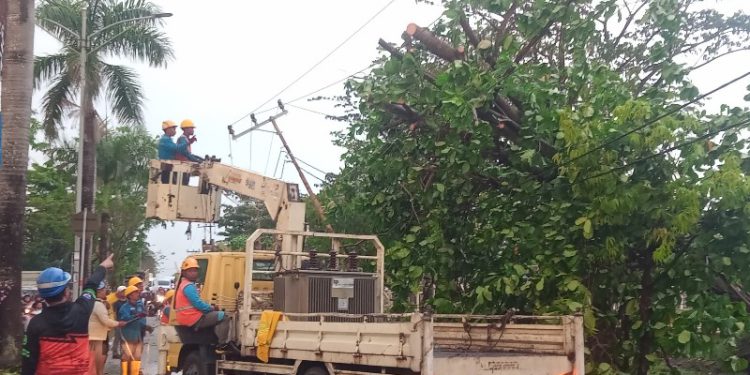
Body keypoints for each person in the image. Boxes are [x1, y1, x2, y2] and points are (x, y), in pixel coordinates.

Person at [21, 254, 115, 375]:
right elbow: (91, 285)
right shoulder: (82, 310)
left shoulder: (36, 323)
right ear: (66, 292)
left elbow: (28, 361)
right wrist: (103, 266)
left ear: (43, 296)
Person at [174, 257, 230, 344]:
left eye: (195, 271)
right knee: (223, 316)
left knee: (214, 316)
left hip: (187, 317)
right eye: (190, 271)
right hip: (192, 318)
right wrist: (212, 308)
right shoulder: (188, 286)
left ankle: (215, 340)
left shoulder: (184, 284)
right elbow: (198, 304)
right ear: (184, 273)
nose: (193, 273)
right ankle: (222, 344)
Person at [89, 282, 125, 375]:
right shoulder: (98, 305)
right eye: (104, 290)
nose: (106, 291)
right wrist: (118, 323)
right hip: (97, 339)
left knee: (95, 365)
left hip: (96, 337)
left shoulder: (95, 303)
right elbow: (105, 320)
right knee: (96, 366)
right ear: (99, 291)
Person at [118, 286, 152, 375]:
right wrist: (137, 316)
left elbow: (141, 319)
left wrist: (146, 326)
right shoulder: (124, 307)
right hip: (127, 336)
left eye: (137, 292)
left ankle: (135, 373)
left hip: (138, 335)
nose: (138, 294)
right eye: (135, 293)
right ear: (129, 295)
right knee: (127, 356)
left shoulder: (140, 305)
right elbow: (125, 319)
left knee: (137, 356)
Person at [109, 285, 127, 359]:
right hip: (118, 322)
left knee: (124, 339)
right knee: (117, 338)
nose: (124, 293)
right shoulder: (116, 303)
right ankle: (115, 352)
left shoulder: (128, 302)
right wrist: (116, 322)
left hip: (126, 323)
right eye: (122, 291)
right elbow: (114, 312)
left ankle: (123, 352)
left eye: (125, 291)